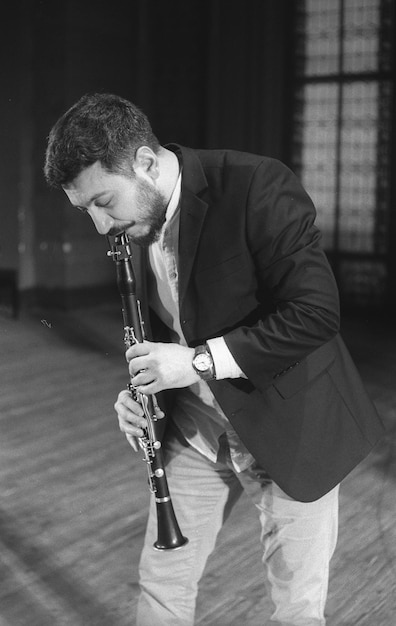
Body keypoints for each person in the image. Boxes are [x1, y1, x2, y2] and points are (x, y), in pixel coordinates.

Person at [44, 93, 385, 626]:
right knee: (161, 587)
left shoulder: (256, 186)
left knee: (296, 609)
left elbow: (316, 313)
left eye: (103, 202)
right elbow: (164, 329)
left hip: (289, 425)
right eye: (85, 209)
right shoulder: (134, 220)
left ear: (146, 163)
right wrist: (141, 395)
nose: (100, 226)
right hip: (196, 429)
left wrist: (197, 363)